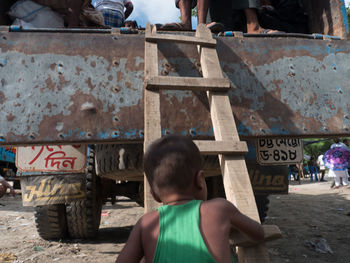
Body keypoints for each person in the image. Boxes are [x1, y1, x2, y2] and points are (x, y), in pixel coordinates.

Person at [116, 135, 264, 263]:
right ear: (200, 180)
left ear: (153, 194)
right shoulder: (220, 209)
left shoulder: (146, 224)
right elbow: (258, 233)